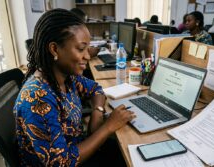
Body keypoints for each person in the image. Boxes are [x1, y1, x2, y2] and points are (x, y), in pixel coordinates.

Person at [14, 9, 136, 166]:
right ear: (54, 49)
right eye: (81, 49)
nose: (88, 56)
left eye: (88, 48)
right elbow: (62, 163)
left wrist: (97, 112)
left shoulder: (67, 77)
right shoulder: (38, 99)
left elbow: (95, 89)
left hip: (79, 146)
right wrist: (108, 127)